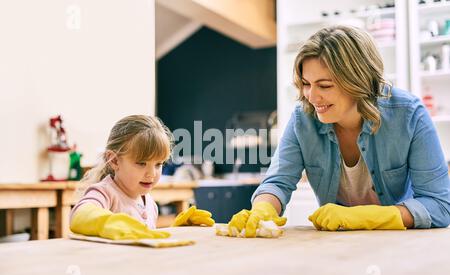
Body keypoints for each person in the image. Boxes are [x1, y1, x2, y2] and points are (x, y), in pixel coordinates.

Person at [227, 25, 450, 236]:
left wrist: (368, 217)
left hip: (398, 243)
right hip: (336, 245)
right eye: (306, 84)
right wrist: (262, 209)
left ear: (359, 82)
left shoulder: (409, 115)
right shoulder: (303, 119)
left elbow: (439, 205)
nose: (312, 97)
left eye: (324, 85)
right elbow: (277, 183)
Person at [70, 115, 214, 241]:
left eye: (158, 164)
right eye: (141, 163)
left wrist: (177, 230)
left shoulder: (150, 204)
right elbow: (79, 216)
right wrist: (109, 222)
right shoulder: (105, 193)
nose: (151, 174)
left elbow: (143, 241)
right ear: (114, 160)